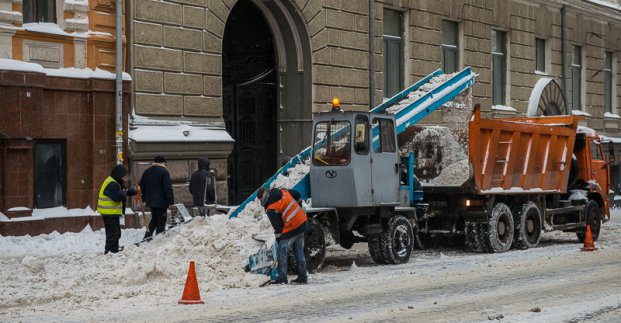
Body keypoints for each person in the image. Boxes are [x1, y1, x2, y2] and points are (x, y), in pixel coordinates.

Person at [257, 187, 309, 284]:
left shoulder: (271, 208)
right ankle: (303, 277)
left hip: (291, 227)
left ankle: (282, 278)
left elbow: (278, 228)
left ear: (263, 199)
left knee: (282, 251)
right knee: (299, 252)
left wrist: (279, 241)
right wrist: (299, 209)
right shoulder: (282, 191)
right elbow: (297, 193)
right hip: (302, 222)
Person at [97, 164, 136, 254]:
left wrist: (133, 191)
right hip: (109, 212)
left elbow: (123, 190)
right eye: (123, 175)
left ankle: (113, 247)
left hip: (111, 212)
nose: (124, 178)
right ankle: (111, 250)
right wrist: (125, 192)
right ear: (119, 174)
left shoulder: (115, 181)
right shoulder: (112, 183)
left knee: (116, 232)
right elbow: (118, 196)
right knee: (113, 233)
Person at [140, 155, 175, 239]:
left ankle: (147, 236)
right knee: (161, 221)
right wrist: (171, 202)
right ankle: (159, 238)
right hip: (161, 202)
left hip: (151, 201)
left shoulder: (147, 171)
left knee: (155, 218)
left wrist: (144, 198)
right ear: (163, 162)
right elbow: (167, 188)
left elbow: (142, 186)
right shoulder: (164, 172)